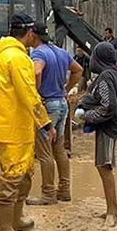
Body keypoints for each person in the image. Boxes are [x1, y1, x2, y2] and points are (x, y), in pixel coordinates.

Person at [0, 13, 53, 231]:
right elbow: (29, 94)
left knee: (24, 173)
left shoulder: (5, 55)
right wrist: (46, 122)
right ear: (30, 33)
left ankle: (16, 218)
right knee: (13, 175)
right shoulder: (17, 58)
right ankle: (4, 227)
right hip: (13, 126)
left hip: (14, 125)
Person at [27, 22, 83, 205]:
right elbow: (78, 70)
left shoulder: (39, 53)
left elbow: (37, 70)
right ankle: (64, 190)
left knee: (44, 152)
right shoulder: (61, 52)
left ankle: (48, 193)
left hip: (47, 105)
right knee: (59, 148)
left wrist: (36, 93)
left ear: (33, 35)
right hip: (62, 104)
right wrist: (66, 89)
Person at [74, 42, 117, 227]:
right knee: (103, 166)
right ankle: (112, 209)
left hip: (108, 126)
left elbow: (108, 105)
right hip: (113, 124)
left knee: (104, 166)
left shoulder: (105, 77)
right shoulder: (115, 74)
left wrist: (87, 116)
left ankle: (113, 211)